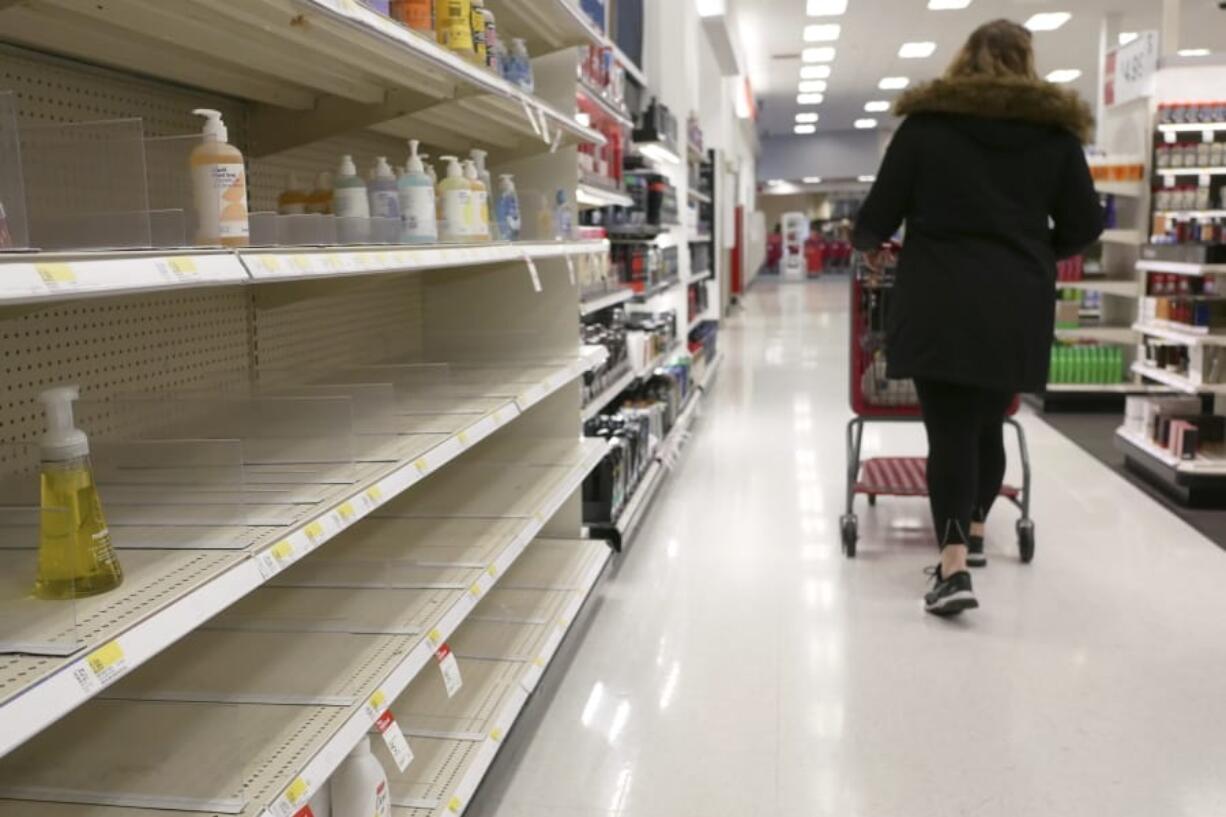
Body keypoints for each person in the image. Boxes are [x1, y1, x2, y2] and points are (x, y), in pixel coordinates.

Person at [852, 19, 1103, 616]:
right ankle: (976, 529)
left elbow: (874, 220)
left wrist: (872, 240)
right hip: (1016, 298)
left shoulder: (926, 129)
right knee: (989, 422)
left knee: (950, 431)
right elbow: (1085, 226)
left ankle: (954, 565)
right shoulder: (1055, 138)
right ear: (1027, 63)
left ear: (963, 61)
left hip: (940, 295)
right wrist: (1037, 248)